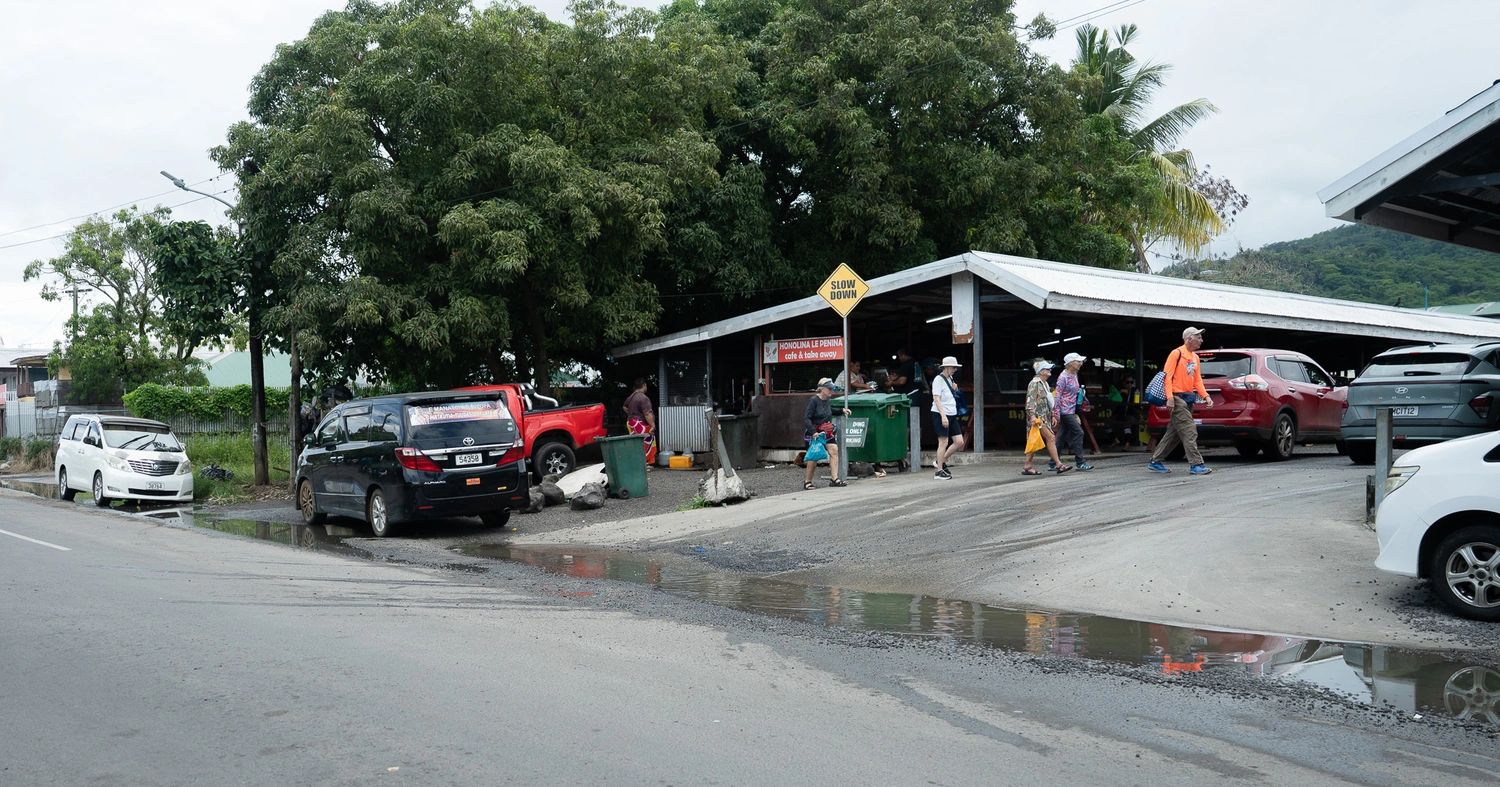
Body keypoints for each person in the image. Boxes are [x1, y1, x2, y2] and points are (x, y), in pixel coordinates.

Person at [1149, 327, 1214, 475]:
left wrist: (1206, 396)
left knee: (1174, 433)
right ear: (1188, 339)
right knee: (1189, 430)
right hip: (1177, 398)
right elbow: (1167, 377)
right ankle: (1196, 464)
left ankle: (1155, 461)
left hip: (1188, 398)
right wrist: (1170, 398)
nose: (1201, 340)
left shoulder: (1195, 358)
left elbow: (1197, 380)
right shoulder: (1176, 354)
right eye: (1198, 337)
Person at [1022, 360, 1070, 475]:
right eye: (1047, 369)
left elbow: (1048, 401)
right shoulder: (1035, 383)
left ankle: (1027, 466)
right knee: (1051, 438)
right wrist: (1032, 416)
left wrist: (1052, 414)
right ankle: (1059, 464)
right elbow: (1030, 401)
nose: (1050, 370)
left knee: (1033, 440)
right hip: (1038, 418)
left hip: (1044, 416)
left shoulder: (1044, 383)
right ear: (1041, 371)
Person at [803, 378, 850, 489]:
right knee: (814, 457)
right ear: (822, 389)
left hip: (827, 432)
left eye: (831, 389)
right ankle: (807, 481)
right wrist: (813, 432)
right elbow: (807, 418)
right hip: (815, 433)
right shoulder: (814, 400)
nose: (831, 391)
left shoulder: (827, 401)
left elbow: (829, 410)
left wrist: (841, 410)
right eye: (829, 388)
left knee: (834, 450)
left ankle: (835, 479)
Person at [1054, 353, 1094, 471]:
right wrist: (1056, 413)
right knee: (1079, 433)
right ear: (1070, 363)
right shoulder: (1063, 377)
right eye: (1078, 361)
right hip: (1064, 410)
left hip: (1071, 409)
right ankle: (1080, 462)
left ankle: (1052, 462)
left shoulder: (1074, 375)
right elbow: (1058, 395)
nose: (1080, 364)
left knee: (1062, 436)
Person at [930, 356, 966, 480]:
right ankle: (939, 471)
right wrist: (943, 416)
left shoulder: (950, 379)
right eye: (953, 367)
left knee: (959, 441)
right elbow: (936, 399)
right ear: (946, 367)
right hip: (941, 414)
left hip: (951, 413)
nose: (955, 369)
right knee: (943, 442)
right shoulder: (938, 380)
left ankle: (940, 461)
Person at [623, 378, 658, 466]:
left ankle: (637, 462)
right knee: (646, 441)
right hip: (640, 423)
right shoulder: (643, 398)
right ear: (644, 385)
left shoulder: (630, 397)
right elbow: (647, 413)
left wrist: (632, 413)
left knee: (636, 443)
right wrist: (653, 425)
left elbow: (625, 407)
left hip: (631, 423)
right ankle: (646, 463)